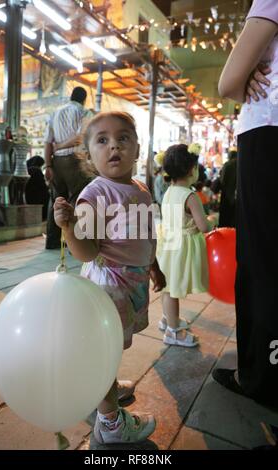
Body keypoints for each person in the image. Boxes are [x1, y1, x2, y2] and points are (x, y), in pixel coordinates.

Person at [53, 111, 166, 444]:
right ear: (89, 155)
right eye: (102, 140)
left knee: (111, 346)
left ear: (137, 147)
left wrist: (154, 265)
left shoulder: (140, 189)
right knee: (104, 349)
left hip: (132, 282)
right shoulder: (96, 195)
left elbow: (146, 234)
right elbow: (86, 252)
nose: (114, 145)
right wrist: (69, 227)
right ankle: (111, 423)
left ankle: (105, 386)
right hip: (108, 286)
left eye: (123, 138)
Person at [212, 0, 278, 407]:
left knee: (265, 261)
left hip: (270, 131)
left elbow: (228, 83)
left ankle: (263, 378)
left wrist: (245, 76)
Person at [156, 144, 217, 348]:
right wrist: (212, 220)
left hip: (168, 244)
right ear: (192, 170)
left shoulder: (169, 191)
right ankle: (174, 332)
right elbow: (203, 226)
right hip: (182, 248)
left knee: (167, 285)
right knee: (174, 288)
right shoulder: (190, 196)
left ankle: (167, 319)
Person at [44, 86, 93, 249]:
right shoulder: (83, 112)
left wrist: (48, 165)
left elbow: (47, 142)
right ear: (83, 99)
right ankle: (76, 244)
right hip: (75, 160)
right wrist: (60, 146)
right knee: (78, 199)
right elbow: (80, 137)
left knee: (56, 201)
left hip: (56, 162)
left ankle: (52, 241)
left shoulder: (55, 112)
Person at [25, 156, 49, 221]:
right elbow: (43, 187)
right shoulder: (36, 171)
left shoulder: (26, 170)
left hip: (28, 198)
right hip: (38, 199)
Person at [218, 149, 237, 228]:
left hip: (226, 194)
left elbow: (222, 180)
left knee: (225, 216)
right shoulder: (240, 164)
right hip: (236, 194)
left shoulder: (227, 165)